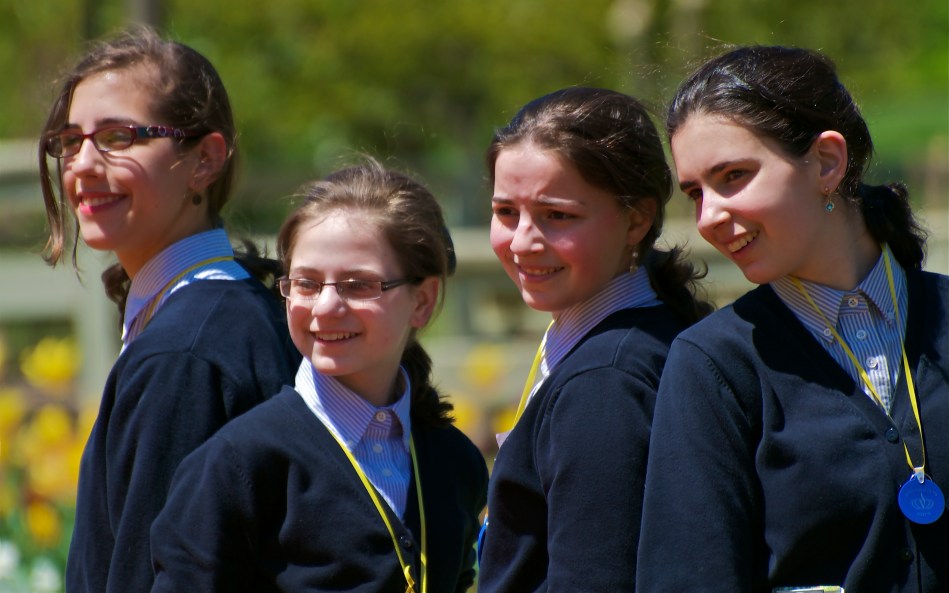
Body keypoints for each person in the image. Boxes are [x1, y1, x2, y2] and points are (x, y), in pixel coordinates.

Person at [636, 45, 949, 593]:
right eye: (694, 193)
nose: (709, 217)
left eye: (732, 176)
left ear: (827, 162)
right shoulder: (713, 366)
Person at [37, 27, 299, 593]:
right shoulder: (227, 311)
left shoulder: (188, 353)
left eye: (118, 137)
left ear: (204, 159)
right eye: (70, 140)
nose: (81, 163)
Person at [149, 160, 489, 593]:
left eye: (357, 284)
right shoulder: (238, 466)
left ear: (422, 300)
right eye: (306, 283)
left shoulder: (454, 462)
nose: (326, 307)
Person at [476, 87, 713, 593]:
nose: (521, 242)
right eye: (505, 212)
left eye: (557, 215)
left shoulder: (607, 382)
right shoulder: (630, 337)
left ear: (636, 219)